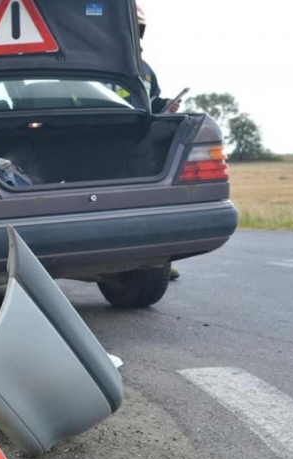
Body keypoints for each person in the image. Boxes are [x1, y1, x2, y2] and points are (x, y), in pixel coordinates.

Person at [135, 3, 181, 281]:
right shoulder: (93, 62)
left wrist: (166, 107)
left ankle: (160, 262)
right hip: (108, 139)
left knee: (153, 204)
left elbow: (151, 102)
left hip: (141, 141)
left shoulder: (146, 69)